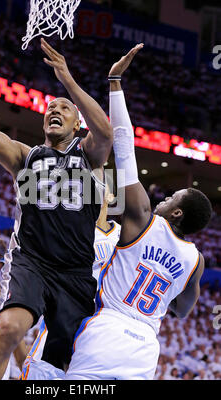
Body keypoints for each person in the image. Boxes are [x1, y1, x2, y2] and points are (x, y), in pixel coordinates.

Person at [0, 34, 113, 379]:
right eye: (50, 107)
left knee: (62, 359)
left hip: (76, 272)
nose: (54, 110)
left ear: (77, 123)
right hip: (32, 262)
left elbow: (106, 132)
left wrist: (67, 80)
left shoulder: (89, 156)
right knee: (8, 329)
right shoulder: (26, 155)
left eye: (64, 108)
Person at [65, 44, 212, 380]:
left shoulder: (143, 218)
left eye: (172, 197)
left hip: (107, 327)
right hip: (146, 345)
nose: (163, 199)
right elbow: (184, 310)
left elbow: (124, 145)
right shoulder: (196, 260)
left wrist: (115, 81)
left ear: (176, 213)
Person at [0, 187, 122, 380]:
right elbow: (41, 262)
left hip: (101, 337)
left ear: (109, 196)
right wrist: (5, 253)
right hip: (61, 326)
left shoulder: (124, 236)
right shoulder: (68, 226)